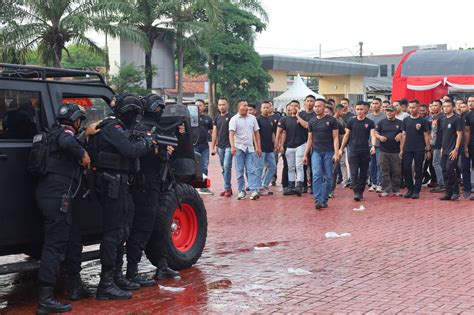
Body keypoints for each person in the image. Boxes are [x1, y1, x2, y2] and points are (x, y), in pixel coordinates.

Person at [88, 94, 152, 300]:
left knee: (122, 231)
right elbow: (130, 150)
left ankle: (116, 276)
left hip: (120, 183)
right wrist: (147, 143)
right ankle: (106, 283)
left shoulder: (118, 128)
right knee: (113, 232)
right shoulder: (111, 128)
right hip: (111, 183)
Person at [36, 103, 91, 314]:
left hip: (51, 195)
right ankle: (45, 299)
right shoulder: (65, 135)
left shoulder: (50, 133)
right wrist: (83, 152)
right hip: (56, 197)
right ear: (76, 121)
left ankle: (75, 286)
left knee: (71, 237)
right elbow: (71, 144)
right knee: (54, 246)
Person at [124, 94, 179, 289]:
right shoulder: (142, 130)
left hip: (152, 184)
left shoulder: (144, 128)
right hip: (145, 184)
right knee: (143, 227)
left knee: (157, 224)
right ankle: (132, 271)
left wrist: (164, 151)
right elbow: (141, 155)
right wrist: (160, 151)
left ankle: (161, 264)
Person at [303, 98, 339, 209]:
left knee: (328, 177)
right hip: (316, 152)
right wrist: (305, 154)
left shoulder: (332, 120)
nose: (317, 108)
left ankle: (324, 199)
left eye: (319, 106)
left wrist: (336, 153)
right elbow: (310, 139)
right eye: (315, 106)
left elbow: (336, 137)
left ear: (324, 107)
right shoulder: (312, 121)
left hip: (329, 152)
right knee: (316, 175)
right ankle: (318, 200)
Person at [339, 101, 376, 201]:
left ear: (366, 110)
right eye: (358, 109)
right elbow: (346, 135)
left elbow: (372, 135)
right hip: (353, 150)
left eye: (361, 109)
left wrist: (373, 146)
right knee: (354, 172)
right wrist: (341, 148)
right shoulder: (351, 121)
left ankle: (361, 191)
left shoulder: (370, 122)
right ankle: (356, 192)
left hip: (365, 151)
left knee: (364, 172)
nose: (359, 111)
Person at [229, 100, 262, 200]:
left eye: (247, 105)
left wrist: (258, 147)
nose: (247, 107)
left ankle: (254, 190)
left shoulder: (252, 118)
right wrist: (233, 146)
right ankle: (241, 191)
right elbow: (231, 134)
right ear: (239, 107)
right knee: (239, 171)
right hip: (239, 147)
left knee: (252, 170)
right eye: (245, 105)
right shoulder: (234, 119)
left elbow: (256, 133)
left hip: (250, 148)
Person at [400, 99, 431, 199]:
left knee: (418, 169)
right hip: (407, 148)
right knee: (406, 169)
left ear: (418, 108)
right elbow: (403, 135)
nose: (411, 109)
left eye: (413, 107)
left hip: (419, 148)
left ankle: (417, 190)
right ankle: (410, 188)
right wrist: (401, 149)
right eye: (410, 107)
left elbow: (426, 135)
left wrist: (428, 149)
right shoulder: (406, 120)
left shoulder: (423, 121)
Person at [276, 100, 307, 196]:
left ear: (299, 107)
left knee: (299, 166)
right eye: (292, 106)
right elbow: (280, 132)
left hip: (301, 145)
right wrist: (278, 144)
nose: (293, 107)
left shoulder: (302, 117)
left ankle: (299, 186)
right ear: (288, 107)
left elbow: (306, 126)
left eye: (296, 106)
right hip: (289, 146)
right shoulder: (284, 119)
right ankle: (291, 186)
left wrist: (297, 116)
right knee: (290, 167)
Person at [375, 105, 403, 197]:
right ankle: (386, 189)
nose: (389, 113)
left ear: (395, 112)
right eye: (387, 111)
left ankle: (396, 190)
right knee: (384, 171)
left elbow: (405, 132)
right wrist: (379, 137)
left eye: (391, 111)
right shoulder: (381, 122)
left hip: (396, 151)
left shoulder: (400, 122)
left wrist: (400, 134)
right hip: (384, 150)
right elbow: (375, 132)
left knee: (396, 171)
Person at [439, 100, 463, 201]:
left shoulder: (456, 119)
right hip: (444, 150)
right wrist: (441, 148)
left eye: (448, 106)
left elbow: (459, 135)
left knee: (450, 169)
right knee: (444, 171)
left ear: (453, 107)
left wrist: (456, 149)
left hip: (453, 150)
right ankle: (448, 193)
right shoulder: (443, 119)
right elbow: (443, 135)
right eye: (444, 106)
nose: (446, 108)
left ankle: (456, 192)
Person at [211, 98, 233, 197]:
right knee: (223, 168)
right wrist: (213, 147)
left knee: (227, 166)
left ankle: (227, 188)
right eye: (220, 105)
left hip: (229, 145)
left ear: (227, 105)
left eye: (223, 104)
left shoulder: (232, 117)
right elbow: (214, 132)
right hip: (220, 146)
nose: (221, 107)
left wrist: (233, 146)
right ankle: (227, 188)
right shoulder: (216, 118)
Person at [256, 101, 277, 196]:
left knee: (272, 167)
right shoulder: (257, 119)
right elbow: (256, 134)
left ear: (270, 109)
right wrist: (258, 147)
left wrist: (276, 144)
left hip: (270, 148)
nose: (266, 109)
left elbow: (273, 133)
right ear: (260, 109)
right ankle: (257, 187)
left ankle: (264, 185)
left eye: (267, 107)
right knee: (259, 168)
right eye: (264, 107)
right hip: (261, 148)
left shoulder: (271, 120)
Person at [194, 99, 213, 195]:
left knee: (205, 166)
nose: (198, 107)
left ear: (204, 107)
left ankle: (203, 187)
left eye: (200, 105)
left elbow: (211, 130)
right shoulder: (190, 118)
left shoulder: (208, 119)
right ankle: (195, 186)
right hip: (194, 146)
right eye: (196, 105)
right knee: (195, 167)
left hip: (205, 146)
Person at [367, 98, 386, 193]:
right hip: (369, 144)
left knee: (379, 164)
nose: (374, 105)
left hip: (381, 145)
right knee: (371, 165)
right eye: (373, 103)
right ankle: (373, 183)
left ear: (381, 104)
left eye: (377, 103)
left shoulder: (384, 116)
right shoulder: (368, 116)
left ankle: (379, 183)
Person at [299, 95, 317, 193]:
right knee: (303, 165)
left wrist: (298, 118)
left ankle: (314, 186)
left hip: (313, 143)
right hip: (301, 142)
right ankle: (304, 185)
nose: (309, 103)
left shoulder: (315, 115)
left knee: (313, 165)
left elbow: (307, 126)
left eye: (311, 101)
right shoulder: (301, 114)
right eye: (308, 101)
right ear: (304, 102)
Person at [330, 104, 348, 195]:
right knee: (331, 169)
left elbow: (345, 133)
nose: (343, 113)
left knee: (334, 169)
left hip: (339, 147)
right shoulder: (333, 120)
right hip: (329, 148)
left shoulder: (340, 120)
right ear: (337, 110)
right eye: (342, 111)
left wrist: (342, 147)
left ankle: (331, 190)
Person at [428, 100, 445, 193]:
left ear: (441, 106)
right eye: (432, 105)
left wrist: (442, 145)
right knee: (435, 163)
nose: (433, 107)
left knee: (436, 163)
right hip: (433, 144)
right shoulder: (434, 116)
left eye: (436, 105)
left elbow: (443, 133)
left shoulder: (442, 117)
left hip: (440, 144)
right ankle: (441, 183)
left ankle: (442, 184)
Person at [464, 95, 474, 200]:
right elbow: (467, 131)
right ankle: (467, 189)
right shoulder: (466, 115)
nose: (470, 103)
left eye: (473, 101)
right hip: (469, 144)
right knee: (465, 167)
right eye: (469, 101)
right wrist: (465, 146)